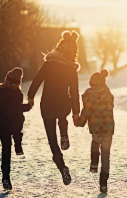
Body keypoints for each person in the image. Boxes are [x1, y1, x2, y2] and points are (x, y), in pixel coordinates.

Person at [27, 31, 80, 185]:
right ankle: (64, 130)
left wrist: (30, 97)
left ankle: (62, 166)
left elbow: (37, 80)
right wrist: (76, 113)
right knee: (62, 116)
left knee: (51, 138)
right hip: (64, 104)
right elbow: (75, 93)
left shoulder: (49, 63)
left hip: (48, 104)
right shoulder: (72, 70)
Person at [77, 69, 115, 193]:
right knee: (106, 154)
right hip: (108, 127)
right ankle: (103, 183)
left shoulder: (92, 94)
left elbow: (88, 109)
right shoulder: (109, 94)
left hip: (96, 126)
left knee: (95, 141)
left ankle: (94, 163)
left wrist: (80, 122)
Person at [0, 67, 32, 190]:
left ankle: (18, 139)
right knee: (6, 151)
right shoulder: (17, 93)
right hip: (8, 127)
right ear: (19, 81)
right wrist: (28, 107)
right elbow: (14, 109)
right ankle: (6, 178)